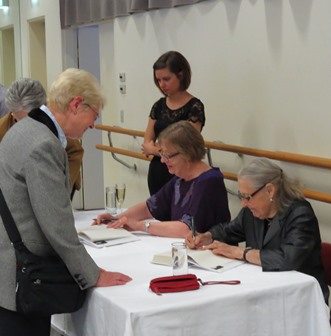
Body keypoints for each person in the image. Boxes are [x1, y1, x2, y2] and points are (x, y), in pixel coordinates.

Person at [0, 68, 132, 336]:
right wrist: (92, 274)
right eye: (93, 115)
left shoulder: (22, 128)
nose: (93, 124)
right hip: (23, 276)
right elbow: (56, 222)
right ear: (75, 105)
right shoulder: (43, 143)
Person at [186, 157, 329, 302]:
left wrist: (241, 252)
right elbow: (228, 230)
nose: (243, 204)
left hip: (300, 296)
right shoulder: (252, 212)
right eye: (241, 196)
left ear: (269, 190)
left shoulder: (300, 214)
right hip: (267, 288)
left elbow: (288, 258)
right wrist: (206, 236)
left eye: (247, 197)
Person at [96, 120, 230, 238]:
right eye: (162, 154)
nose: (162, 160)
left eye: (168, 155)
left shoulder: (209, 181)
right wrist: (117, 219)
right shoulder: (180, 179)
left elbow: (187, 229)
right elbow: (150, 207)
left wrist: (140, 226)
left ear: (187, 153)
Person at [0, 78, 84, 199]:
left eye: (33, 118)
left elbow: (75, 150)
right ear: (12, 112)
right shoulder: (3, 129)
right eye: (22, 120)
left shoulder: (53, 122)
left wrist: (63, 186)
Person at [142, 51, 206, 195]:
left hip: (181, 173)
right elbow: (146, 144)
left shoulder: (195, 107)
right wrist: (161, 151)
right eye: (158, 80)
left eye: (166, 79)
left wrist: (155, 150)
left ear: (180, 75)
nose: (162, 84)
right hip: (157, 172)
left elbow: (186, 147)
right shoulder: (158, 105)